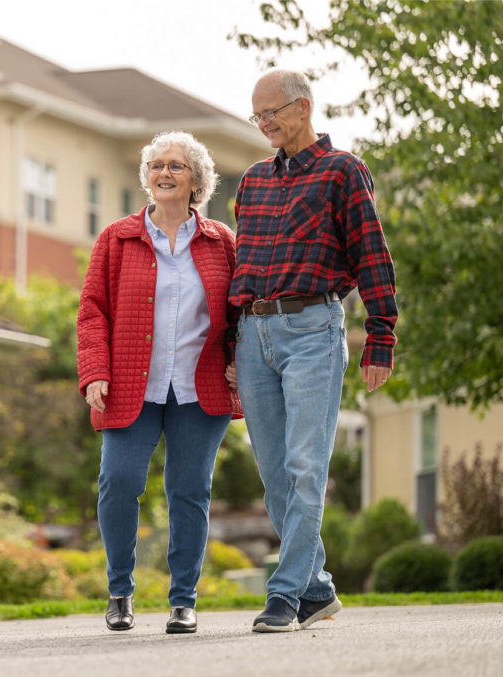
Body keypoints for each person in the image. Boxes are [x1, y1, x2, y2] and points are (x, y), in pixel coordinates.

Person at [225, 70, 398, 632]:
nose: (264, 123)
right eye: (257, 115)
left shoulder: (343, 170)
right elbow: (243, 265)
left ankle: (286, 593)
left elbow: (371, 253)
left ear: (303, 107)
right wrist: (231, 343)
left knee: (305, 464)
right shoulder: (252, 181)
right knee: (275, 473)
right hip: (253, 333)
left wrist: (380, 335)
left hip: (312, 330)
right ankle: (318, 589)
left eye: (271, 112)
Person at [77, 131, 242, 635]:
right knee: (118, 482)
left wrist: (238, 359)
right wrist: (95, 372)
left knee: (189, 492)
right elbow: (92, 311)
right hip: (131, 385)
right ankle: (120, 592)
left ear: (196, 180)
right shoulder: (117, 238)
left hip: (199, 387)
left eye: (175, 165)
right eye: (156, 165)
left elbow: (241, 310)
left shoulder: (221, 241)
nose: (164, 173)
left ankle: (183, 601)